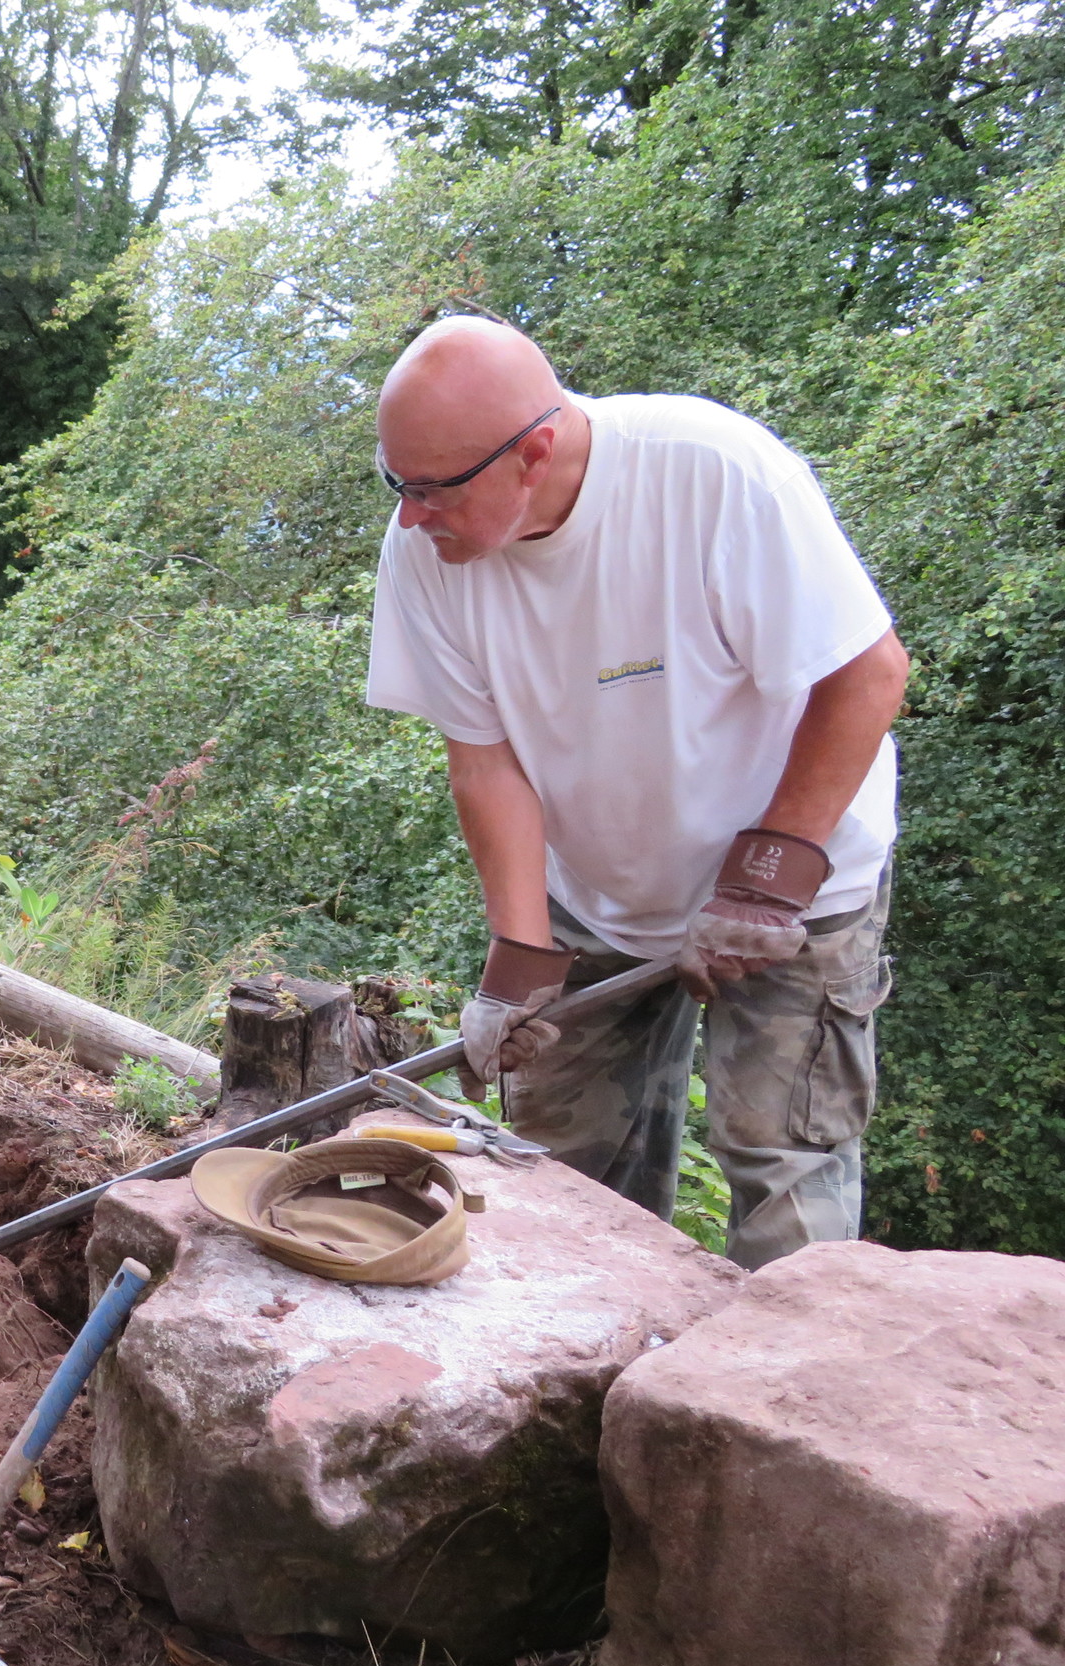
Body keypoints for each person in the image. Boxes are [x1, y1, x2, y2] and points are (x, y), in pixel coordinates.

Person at [363, 317, 907, 1268]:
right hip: (598, 893)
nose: (410, 516)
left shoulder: (714, 476)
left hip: (803, 883)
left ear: (534, 453)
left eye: (432, 489)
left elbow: (866, 675)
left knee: (783, 1164)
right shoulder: (426, 548)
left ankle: (774, 1361)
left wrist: (765, 882)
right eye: (395, 483)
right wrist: (519, 965)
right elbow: (485, 762)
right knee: (564, 1179)